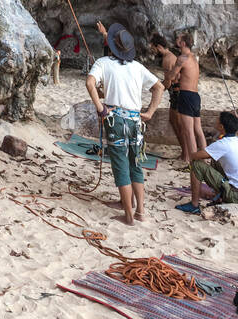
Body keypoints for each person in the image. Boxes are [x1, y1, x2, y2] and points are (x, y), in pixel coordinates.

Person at [86, 20, 164, 225]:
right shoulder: (137, 67)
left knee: (120, 165)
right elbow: (159, 87)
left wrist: (101, 108)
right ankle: (140, 211)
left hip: (116, 121)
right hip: (136, 121)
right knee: (135, 164)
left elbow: (90, 82)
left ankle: (128, 216)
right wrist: (150, 112)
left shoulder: (103, 63)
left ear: (110, 46)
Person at [176, 110, 238, 215]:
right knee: (215, 159)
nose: (215, 121)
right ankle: (219, 195)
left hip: (237, 196)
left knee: (197, 165)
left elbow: (194, 156)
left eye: (218, 120)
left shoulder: (223, 144)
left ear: (222, 127)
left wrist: (187, 137)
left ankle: (194, 205)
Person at [168, 30, 207, 162]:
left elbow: (172, 76)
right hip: (196, 96)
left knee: (188, 131)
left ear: (183, 43)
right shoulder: (194, 58)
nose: (176, 41)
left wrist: (171, 76)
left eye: (178, 39)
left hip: (186, 95)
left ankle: (193, 162)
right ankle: (205, 159)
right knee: (198, 130)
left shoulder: (182, 58)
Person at [149, 32, 184, 158]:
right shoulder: (171, 56)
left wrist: (157, 87)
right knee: (175, 122)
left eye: (153, 48)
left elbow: (168, 83)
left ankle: (185, 152)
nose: (152, 51)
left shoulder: (167, 60)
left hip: (177, 93)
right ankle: (184, 151)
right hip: (177, 93)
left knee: (177, 123)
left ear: (158, 46)